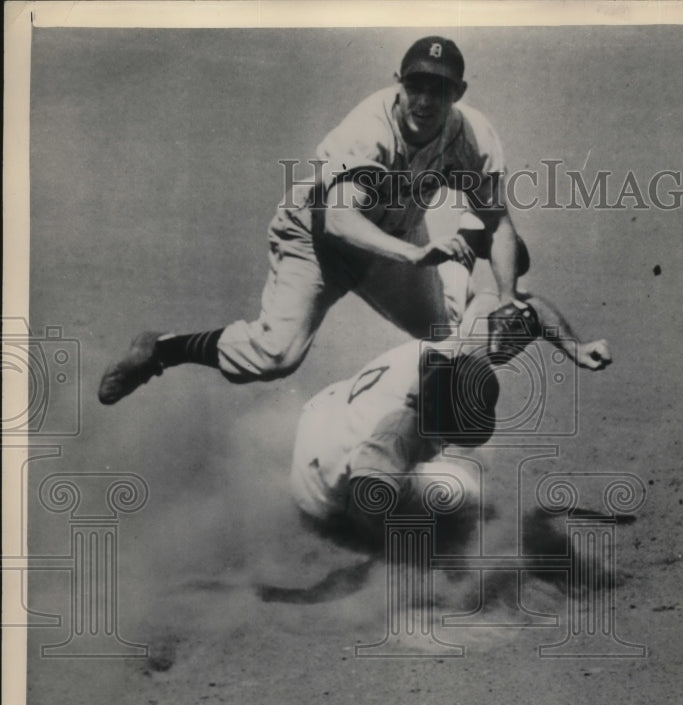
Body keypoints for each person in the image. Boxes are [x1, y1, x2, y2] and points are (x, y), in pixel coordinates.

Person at [98, 36, 531, 405]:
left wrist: (509, 297)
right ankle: (160, 349)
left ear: (459, 92)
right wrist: (416, 255)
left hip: (393, 243)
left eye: (438, 89)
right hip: (316, 242)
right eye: (415, 85)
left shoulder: (475, 137)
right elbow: (339, 221)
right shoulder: (369, 130)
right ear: (398, 83)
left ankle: (469, 259)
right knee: (276, 356)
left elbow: (499, 221)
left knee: (446, 332)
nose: (424, 100)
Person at [289, 294, 611, 542]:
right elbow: (367, 492)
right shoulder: (398, 429)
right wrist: (397, 544)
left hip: (323, 413)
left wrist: (575, 348)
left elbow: (528, 308)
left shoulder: (457, 352)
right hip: (319, 491)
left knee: (464, 466)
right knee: (463, 494)